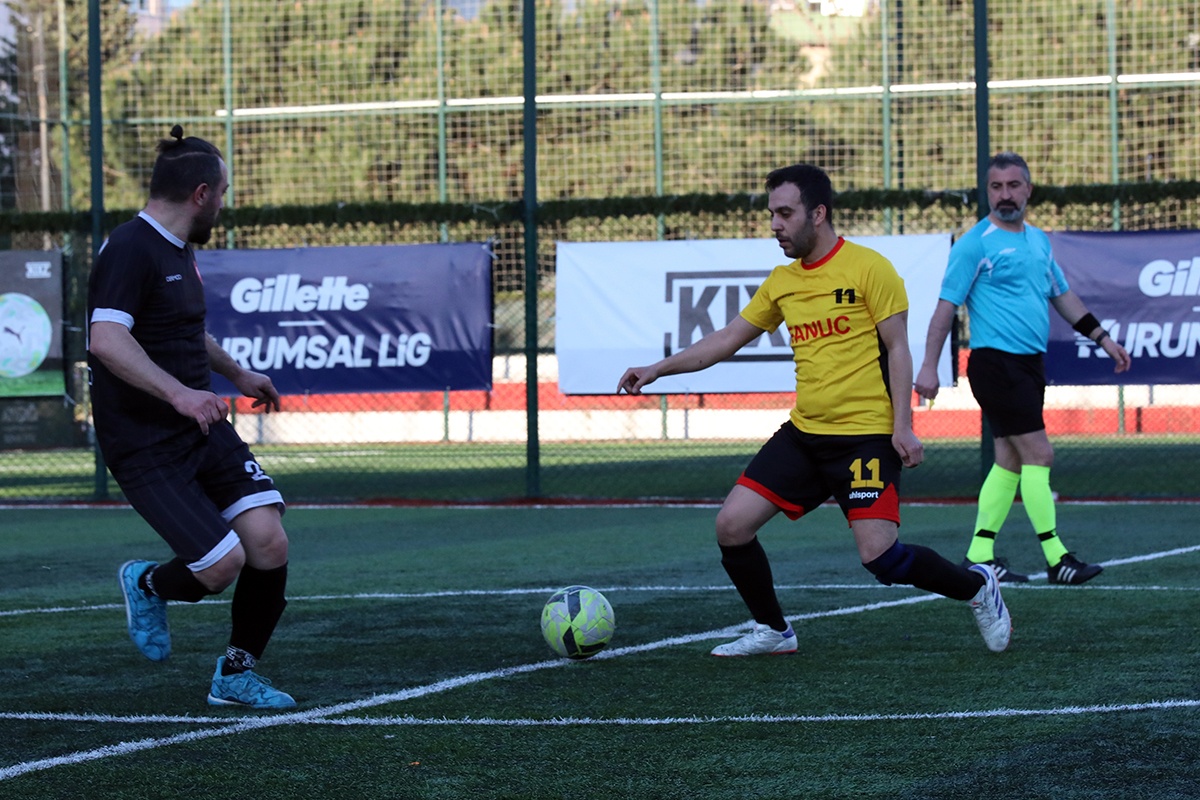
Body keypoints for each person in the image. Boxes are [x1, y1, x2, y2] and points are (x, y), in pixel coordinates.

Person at [617, 163, 1011, 656]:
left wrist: (902, 426)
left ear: (818, 214)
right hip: (805, 435)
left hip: (866, 439)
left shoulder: (870, 268)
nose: (775, 225)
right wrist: (658, 368)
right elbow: (727, 339)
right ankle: (774, 631)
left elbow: (898, 348)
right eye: (771, 214)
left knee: (881, 559)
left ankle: (977, 587)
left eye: (785, 214)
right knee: (731, 526)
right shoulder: (782, 282)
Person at [87, 125, 295, 709]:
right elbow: (106, 339)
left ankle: (235, 675)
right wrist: (180, 393)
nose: (224, 204)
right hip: (145, 442)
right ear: (201, 194)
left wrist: (236, 374)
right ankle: (147, 582)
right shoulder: (130, 247)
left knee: (268, 541)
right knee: (221, 565)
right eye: (222, 193)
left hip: (200, 426)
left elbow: (182, 330)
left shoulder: (179, 247)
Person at [915, 151, 1132, 585]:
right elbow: (945, 308)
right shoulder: (975, 243)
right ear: (987, 192)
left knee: (1010, 461)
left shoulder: (1038, 241)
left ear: (1028, 189)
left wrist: (1104, 339)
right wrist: (928, 368)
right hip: (995, 364)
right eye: (996, 187)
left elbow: (1063, 296)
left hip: (1030, 365)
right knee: (1039, 454)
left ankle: (979, 555)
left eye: (1013, 185)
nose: (1005, 194)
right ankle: (1057, 558)